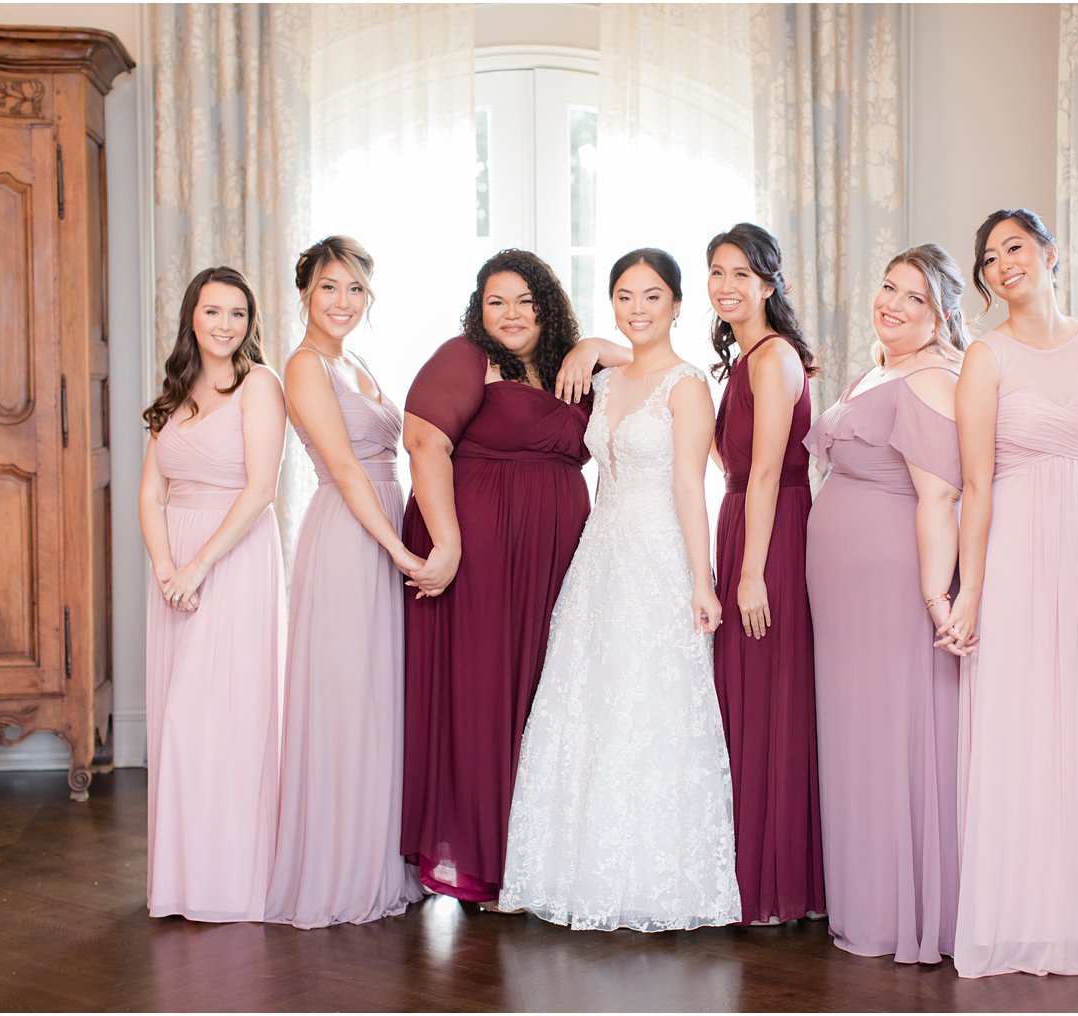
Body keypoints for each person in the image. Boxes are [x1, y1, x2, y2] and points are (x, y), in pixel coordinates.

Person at [944, 208, 1078, 977]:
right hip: (1014, 561)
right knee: (1021, 731)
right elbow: (973, 482)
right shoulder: (985, 356)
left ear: (1048, 253)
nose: (1004, 263)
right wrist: (968, 591)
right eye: (991, 256)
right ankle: (1019, 920)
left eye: (1016, 247)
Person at [500, 248, 741, 931]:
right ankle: (575, 870)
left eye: (652, 297)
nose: (638, 310)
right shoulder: (605, 379)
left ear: (676, 305)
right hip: (601, 552)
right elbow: (600, 468)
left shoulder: (687, 385)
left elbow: (692, 486)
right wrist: (595, 345)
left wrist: (703, 579)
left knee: (651, 702)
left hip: (660, 549)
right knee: (589, 701)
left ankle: (653, 879)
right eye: (626, 297)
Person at [399, 249, 630, 903]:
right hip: (480, 549)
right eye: (495, 301)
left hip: (555, 557)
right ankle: (481, 860)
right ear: (478, 309)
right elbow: (424, 444)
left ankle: (531, 855)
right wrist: (446, 542)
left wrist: (593, 345)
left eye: (525, 300)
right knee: (484, 693)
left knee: (541, 694)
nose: (510, 314)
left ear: (547, 304)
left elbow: (653, 370)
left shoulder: (569, 365)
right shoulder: (464, 357)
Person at [804, 244, 967, 961]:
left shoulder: (932, 379)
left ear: (941, 315)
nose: (894, 305)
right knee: (854, 735)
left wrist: (936, 595)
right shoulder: (881, 365)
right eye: (889, 288)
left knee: (893, 733)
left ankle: (903, 910)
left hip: (889, 581)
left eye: (915, 298)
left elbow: (940, 496)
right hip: (841, 588)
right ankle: (863, 895)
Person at [265, 236, 424, 927]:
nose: (343, 302)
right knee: (347, 696)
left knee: (381, 696)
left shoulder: (354, 359)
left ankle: (383, 856)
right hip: (351, 535)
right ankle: (337, 870)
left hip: (384, 524)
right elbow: (348, 468)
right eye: (330, 287)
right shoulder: (303, 368)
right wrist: (398, 550)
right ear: (305, 292)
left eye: (355, 289)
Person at [139, 265, 285, 922]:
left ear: (250, 322)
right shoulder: (172, 394)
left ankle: (234, 882)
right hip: (174, 571)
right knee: (177, 722)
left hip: (234, 558)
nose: (225, 324)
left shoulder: (260, 385)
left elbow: (261, 490)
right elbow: (150, 492)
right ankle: (182, 882)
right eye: (212, 311)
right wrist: (166, 565)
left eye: (237, 313)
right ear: (191, 319)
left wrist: (197, 566)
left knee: (219, 718)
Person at [707, 223, 825, 925]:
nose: (726, 285)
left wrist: (750, 574)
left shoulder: (772, 357)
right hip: (749, 527)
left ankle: (776, 880)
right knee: (746, 699)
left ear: (769, 284)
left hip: (772, 535)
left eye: (741, 274)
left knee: (769, 697)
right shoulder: (745, 358)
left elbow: (768, 474)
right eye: (717, 272)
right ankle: (754, 871)